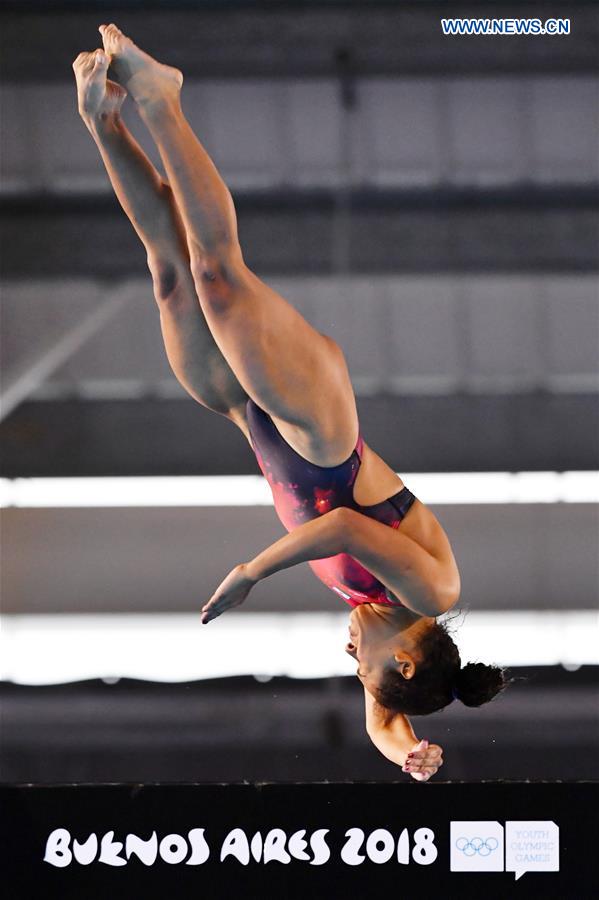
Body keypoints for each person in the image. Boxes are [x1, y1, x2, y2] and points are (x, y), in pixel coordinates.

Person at [73, 24, 506, 782]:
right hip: (318, 434)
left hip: (254, 428)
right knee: (216, 274)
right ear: (405, 659)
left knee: (170, 274)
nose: (349, 657)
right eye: (365, 668)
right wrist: (250, 571)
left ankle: (104, 121)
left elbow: (382, 716)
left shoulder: (377, 628)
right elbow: (340, 523)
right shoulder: (432, 591)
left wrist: (407, 750)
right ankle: (160, 97)